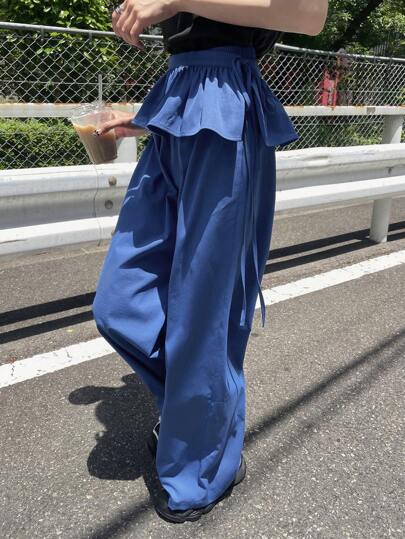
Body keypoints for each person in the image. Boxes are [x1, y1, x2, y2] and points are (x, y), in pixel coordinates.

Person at [92, 0, 329, 524]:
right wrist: (146, 115)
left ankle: (203, 474)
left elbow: (310, 15)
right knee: (119, 302)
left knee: (202, 317)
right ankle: (194, 419)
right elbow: (194, 48)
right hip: (180, 107)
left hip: (228, 108)